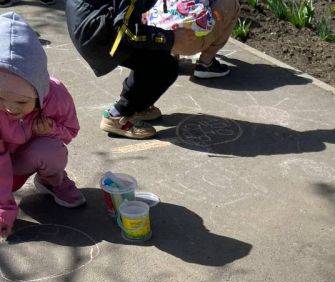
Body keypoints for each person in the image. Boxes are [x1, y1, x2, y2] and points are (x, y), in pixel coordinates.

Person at [0, 13, 85, 239]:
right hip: (2, 165)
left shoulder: (56, 96)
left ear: (39, 91)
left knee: (51, 150)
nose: (9, 109)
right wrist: (4, 209)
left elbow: (70, 131)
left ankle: (51, 181)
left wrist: (50, 130)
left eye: (21, 102)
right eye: (0, 99)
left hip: (26, 156)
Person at [66, 0, 202, 139]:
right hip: (96, 33)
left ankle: (135, 107)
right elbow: (126, 31)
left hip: (87, 19)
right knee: (164, 66)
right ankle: (116, 116)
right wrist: (170, 38)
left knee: (152, 56)